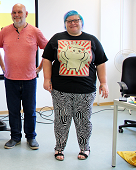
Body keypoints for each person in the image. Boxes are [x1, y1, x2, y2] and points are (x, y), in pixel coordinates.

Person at [42, 10, 109, 161]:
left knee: (83, 121)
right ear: (65, 24)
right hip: (60, 89)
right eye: (69, 21)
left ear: (81, 22)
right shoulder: (57, 39)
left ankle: (85, 148)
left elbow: (100, 62)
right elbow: (47, 59)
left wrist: (103, 83)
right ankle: (59, 148)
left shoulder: (92, 40)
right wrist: (47, 79)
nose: (73, 23)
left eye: (76, 20)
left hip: (85, 90)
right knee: (61, 120)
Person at [0, 3, 48, 150]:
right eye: (14, 12)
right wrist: (3, 66)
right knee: (13, 110)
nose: (16, 15)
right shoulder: (5, 31)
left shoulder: (35, 31)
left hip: (29, 79)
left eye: (19, 12)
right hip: (10, 78)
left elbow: (48, 49)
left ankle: (31, 137)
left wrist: (40, 68)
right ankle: (15, 137)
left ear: (26, 14)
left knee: (30, 110)